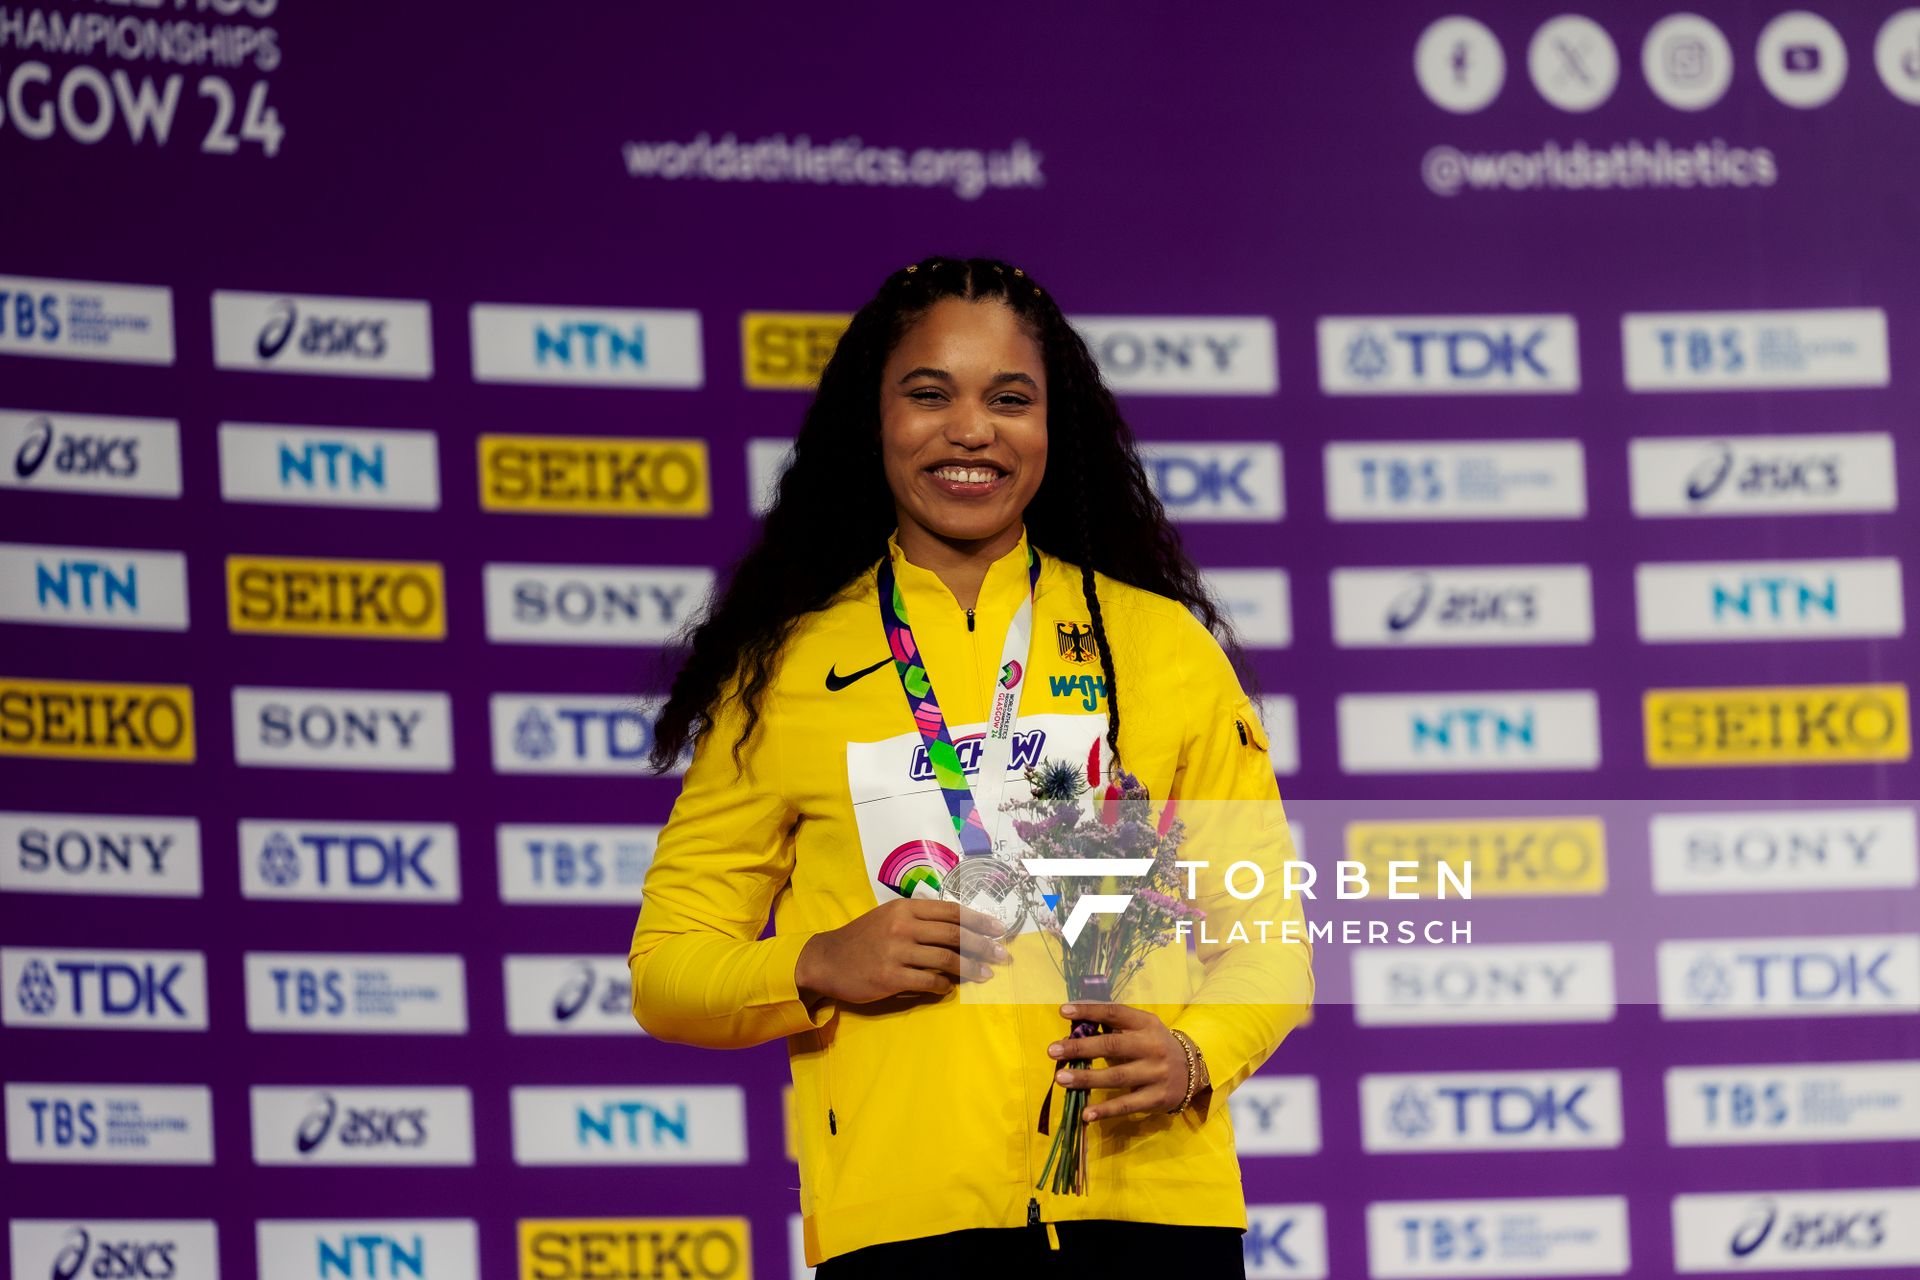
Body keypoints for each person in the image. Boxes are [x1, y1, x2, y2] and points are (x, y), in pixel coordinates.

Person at [630, 255, 1313, 1276]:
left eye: (1010, 398)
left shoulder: (1160, 645)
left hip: (1152, 1205)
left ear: (1053, 426)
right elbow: (667, 967)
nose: (971, 430)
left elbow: (1268, 936)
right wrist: (813, 962)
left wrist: (1195, 1052)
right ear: (875, 422)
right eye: (928, 393)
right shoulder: (787, 668)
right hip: (906, 1222)